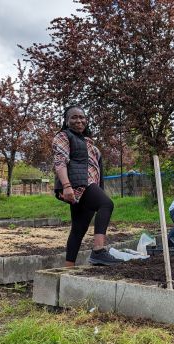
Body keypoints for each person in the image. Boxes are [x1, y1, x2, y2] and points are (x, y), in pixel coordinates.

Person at [53, 106, 122, 267]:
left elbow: (96, 170)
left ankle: (68, 268)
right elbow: (60, 162)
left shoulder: (89, 142)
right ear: (66, 121)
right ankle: (98, 251)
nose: (79, 120)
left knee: (79, 228)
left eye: (82, 117)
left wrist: (99, 191)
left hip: (89, 186)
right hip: (78, 184)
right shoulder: (64, 136)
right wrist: (66, 185)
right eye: (74, 117)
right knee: (107, 204)